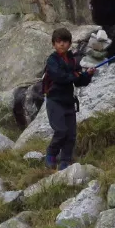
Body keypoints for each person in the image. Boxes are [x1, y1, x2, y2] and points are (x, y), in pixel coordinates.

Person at [43, 28, 95, 170]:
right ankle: (51, 154)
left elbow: (78, 82)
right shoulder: (52, 60)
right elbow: (59, 77)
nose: (62, 44)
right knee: (61, 131)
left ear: (70, 43)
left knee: (71, 134)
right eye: (58, 42)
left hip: (68, 101)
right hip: (54, 101)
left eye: (65, 42)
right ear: (54, 44)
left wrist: (87, 75)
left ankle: (65, 161)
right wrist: (77, 75)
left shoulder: (72, 60)